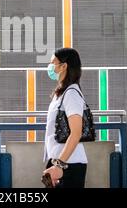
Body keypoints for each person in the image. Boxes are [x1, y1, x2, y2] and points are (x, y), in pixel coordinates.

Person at [42, 47, 87, 188]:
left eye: (53, 63)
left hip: (69, 164)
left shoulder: (72, 94)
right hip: (60, 161)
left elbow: (76, 133)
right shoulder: (61, 93)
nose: (50, 67)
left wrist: (59, 165)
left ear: (63, 66)